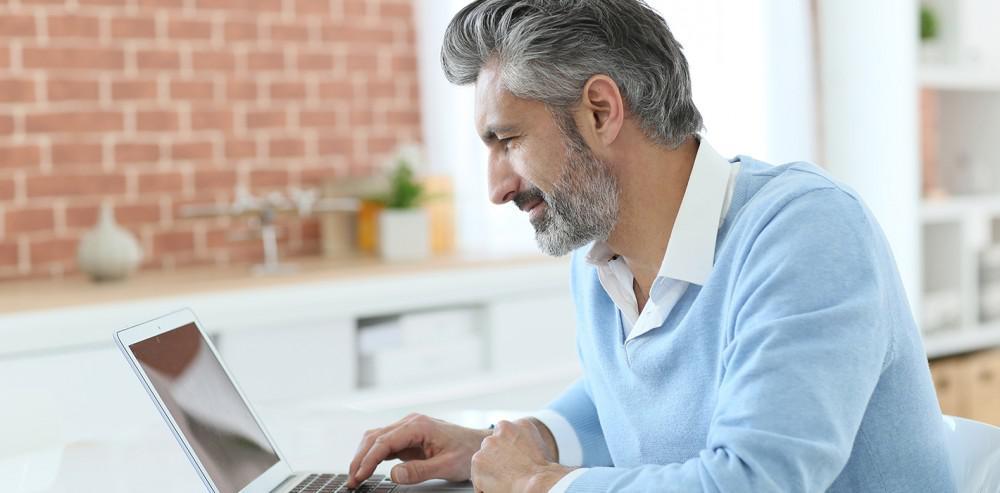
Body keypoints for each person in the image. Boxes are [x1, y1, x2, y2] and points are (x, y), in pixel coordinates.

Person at [347, 1, 956, 491]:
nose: (496, 187)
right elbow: (637, 406)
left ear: (600, 111)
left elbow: (758, 482)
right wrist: (509, 444)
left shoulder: (806, 232)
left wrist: (539, 484)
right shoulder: (601, 252)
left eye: (507, 139)